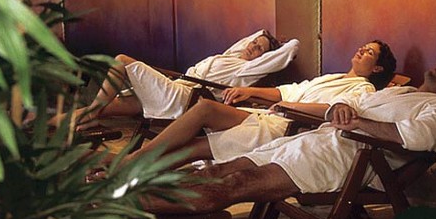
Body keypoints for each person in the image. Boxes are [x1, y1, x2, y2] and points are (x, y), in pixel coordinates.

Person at [141, 58, 436, 214]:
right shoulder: (393, 94)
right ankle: (125, 192)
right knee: (213, 171)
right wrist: (337, 110)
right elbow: (344, 104)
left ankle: (126, 207)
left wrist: (357, 122)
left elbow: (417, 137)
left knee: (232, 186)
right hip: (310, 142)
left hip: (343, 159)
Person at [128, 40, 399, 168]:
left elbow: (334, 112)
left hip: (290, 129)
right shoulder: (334, 76)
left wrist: (290, 109)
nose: (362, 49)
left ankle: (133, 172)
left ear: (377, 69)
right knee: (203, 110)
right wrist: (248, 91)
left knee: (193, 148)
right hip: (272, 116)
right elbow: (290, 90)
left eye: (370, 52)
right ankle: (135, 165)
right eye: (363, 46)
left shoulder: (363, 88)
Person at [73, 30, 295, 126]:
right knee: (107, 107)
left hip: (184, 99)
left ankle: (92, 110)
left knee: (121, 60)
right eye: (253, 42)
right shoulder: (231, 56)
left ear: (264, 59)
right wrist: (264, 37)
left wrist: (277, 45)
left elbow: (292, 48)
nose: (252, 47)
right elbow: (250, 40)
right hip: (176, 86)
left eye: (259, 49)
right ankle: (46, 126)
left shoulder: (246, 70)